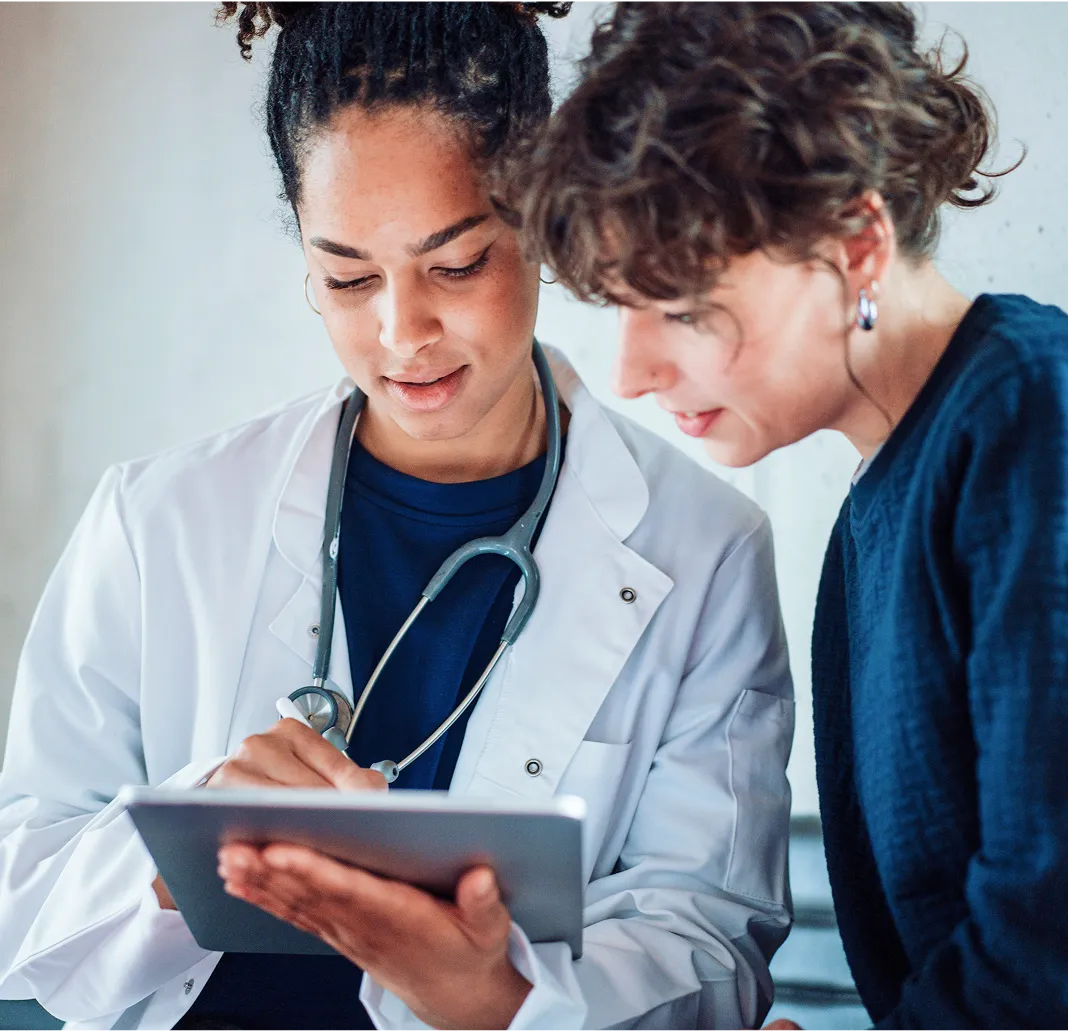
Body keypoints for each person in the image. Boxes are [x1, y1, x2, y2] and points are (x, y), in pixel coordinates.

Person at [0, 2, 796, 1030]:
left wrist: (493, 995)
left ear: (544, 222)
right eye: (346, 276)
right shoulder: (159, 523)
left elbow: (713, 944)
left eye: (456, 264)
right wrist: (188, 838)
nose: (400, 329)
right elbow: (19, 898)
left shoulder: (706, 551)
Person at [509, 1, 1068, 1029]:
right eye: (620, 308)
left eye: (679, 305)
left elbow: (1047, 936)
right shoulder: (873, 514)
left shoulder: (1032, 416)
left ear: (857, 244)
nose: (630, 372)